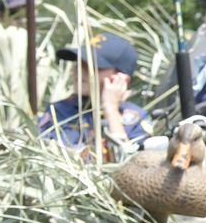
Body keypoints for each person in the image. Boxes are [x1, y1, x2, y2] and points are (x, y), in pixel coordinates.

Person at [38, 33, 149, 162]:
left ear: (121, 78)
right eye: (78, 63)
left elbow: (129, 169)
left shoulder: (134, 118)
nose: (80, 71)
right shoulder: (58, 111)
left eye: (93, 66)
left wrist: (110, 109)